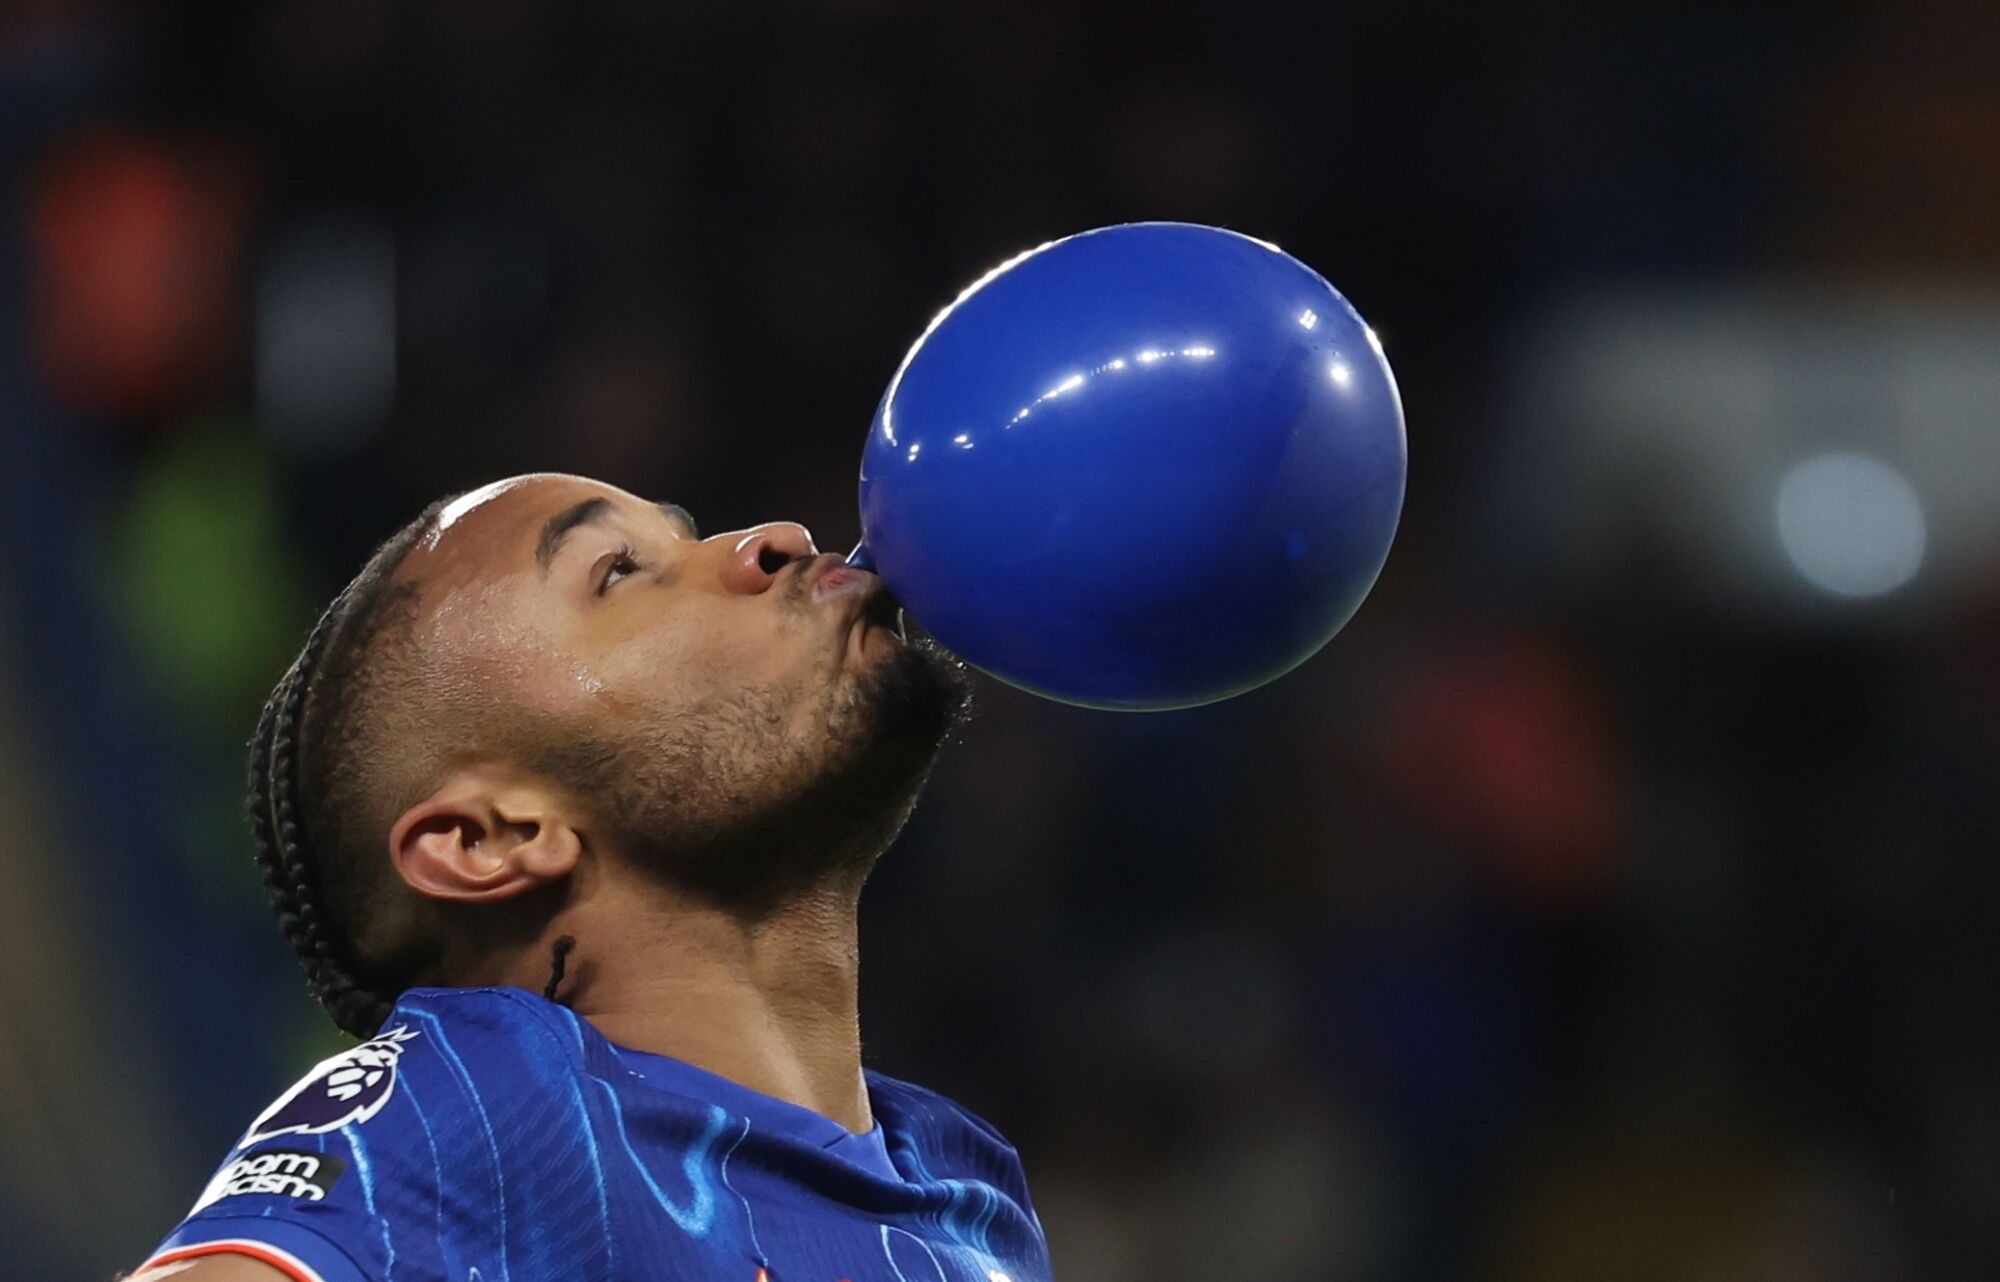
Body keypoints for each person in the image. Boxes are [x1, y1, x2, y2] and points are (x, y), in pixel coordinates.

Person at [129, 473, 1048, 1282]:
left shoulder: (971, 1193)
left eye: (682, 539)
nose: (771, 541)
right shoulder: (481, 1111)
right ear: (491, 838)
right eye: (618, 572)